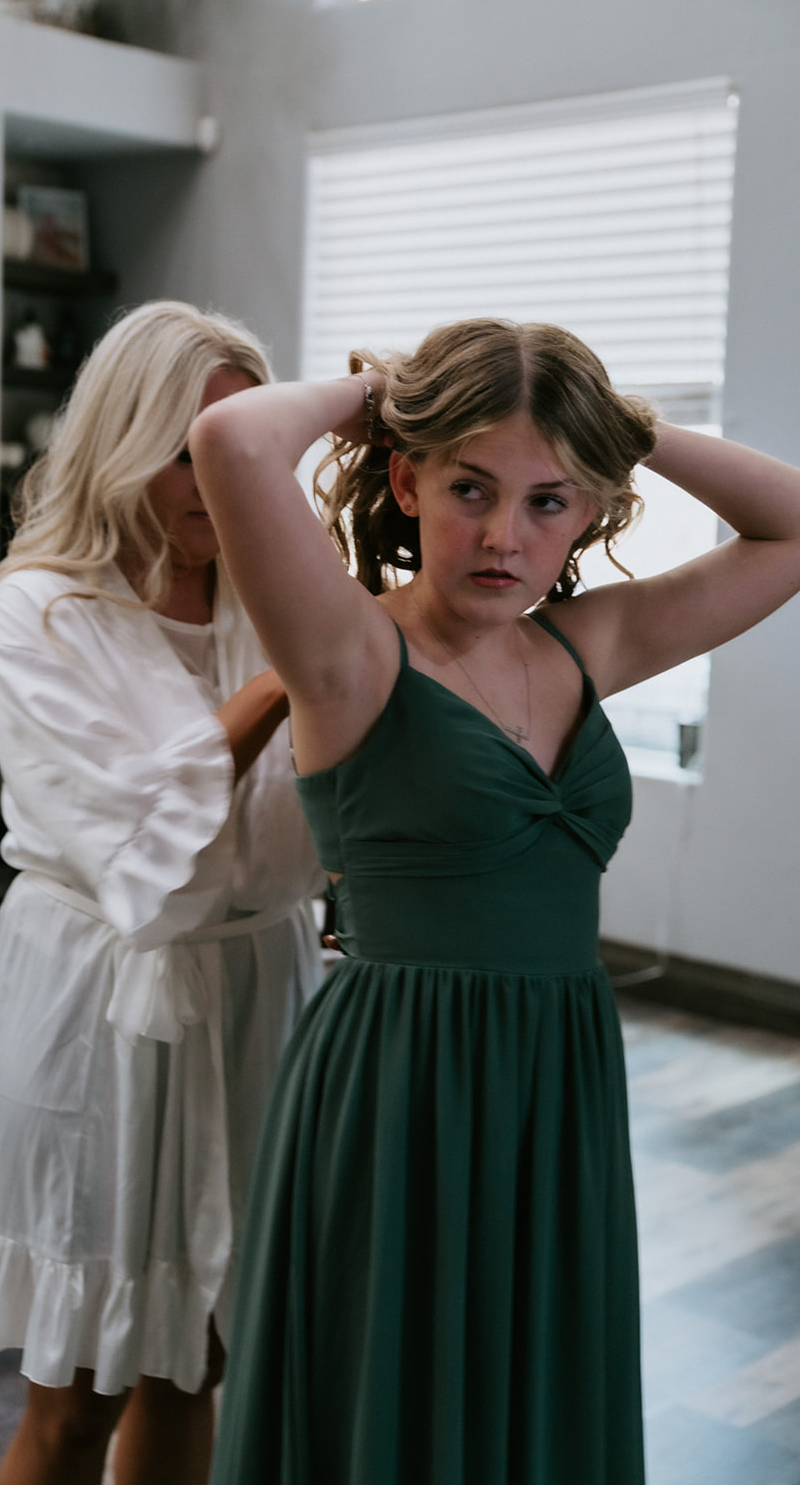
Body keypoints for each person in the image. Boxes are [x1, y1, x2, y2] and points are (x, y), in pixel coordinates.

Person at [188, 317, 800, 1485]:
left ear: (590, 513)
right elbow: (231, 438)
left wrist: (618, 429)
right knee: (395, 1385)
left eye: (549, 503)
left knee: (530, 1380)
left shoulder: (587, 645)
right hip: (401, 1077)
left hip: (557, 1072)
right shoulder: (349, 654)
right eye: (471, 488)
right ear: (407, 479)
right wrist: (379, 396)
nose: (506, 536)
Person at [0, 300, 324, 1485]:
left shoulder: (280, 592)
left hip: (261, 979)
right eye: (185, 452)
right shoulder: (43, 612)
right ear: (122, 440)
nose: (213, 480)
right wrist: (294, 676)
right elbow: (144, 850)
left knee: (199, 1356)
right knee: (78, 1393)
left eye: (238, 448)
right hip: (102, 997)